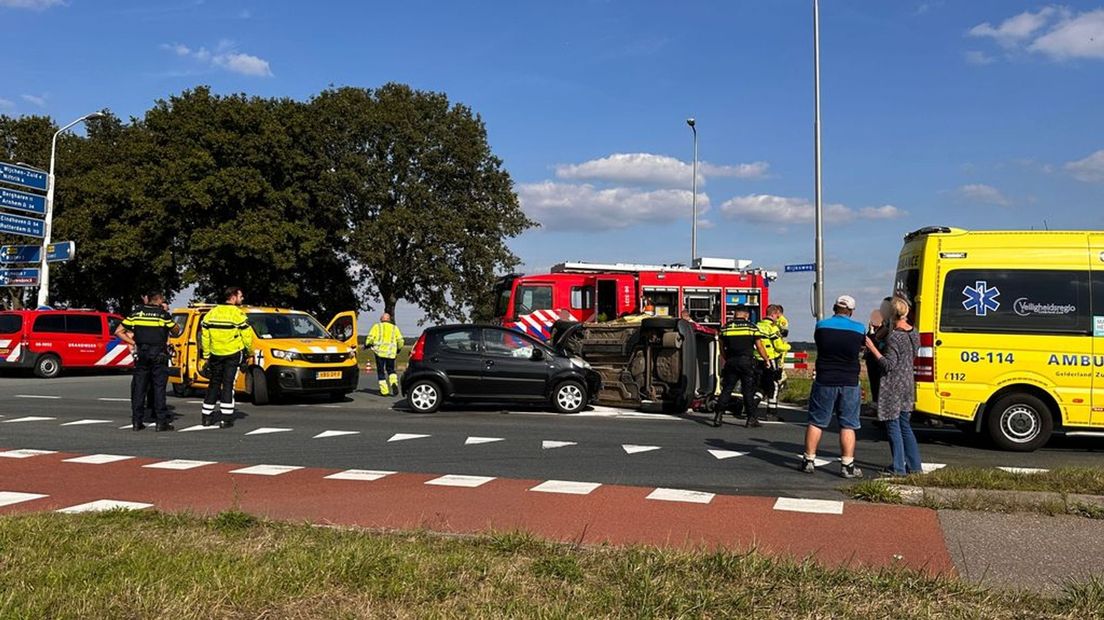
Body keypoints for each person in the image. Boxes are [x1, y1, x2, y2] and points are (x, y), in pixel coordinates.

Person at [802, 295, 866, 478]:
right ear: (851, 311)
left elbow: (820, 345)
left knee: (816, 421)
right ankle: (847, 465)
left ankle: (809, 460)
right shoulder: (859, 328)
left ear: (834, 308)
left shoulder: (821, 326)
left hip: (825, 378)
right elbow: (862, 347)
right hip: (849, 381)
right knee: (848, 424)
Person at [865, 296, 922, 475]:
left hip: (893, 385)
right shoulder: (914, 332)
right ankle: (914, 466)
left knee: (893, 425)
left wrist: (872, 347)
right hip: (907, 383)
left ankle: (898, 467)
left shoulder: (895, 337)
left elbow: (888, 364)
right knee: (905, 425)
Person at [116, 292, 182, 432]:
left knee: (139, 388)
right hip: (158, 354)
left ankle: (137, 421)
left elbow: (119, 331)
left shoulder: (136, 313)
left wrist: (134, 343)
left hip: (142, 354)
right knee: (158, 388)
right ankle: (161, 422)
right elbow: (176, 331)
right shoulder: (162, 315)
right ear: (158, 300)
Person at [200, 286, 254, 428]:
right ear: (233, 297)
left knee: (213, 384)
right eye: (240, 296)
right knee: (228, 385)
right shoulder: (238, 314)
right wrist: (249, 352)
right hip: (232, 354)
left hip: (215, 354)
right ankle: (226, 418)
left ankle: (206, 417)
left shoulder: (211, 313)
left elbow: (205, 336)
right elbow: (247, 336)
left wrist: (206, 355)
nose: (242, 299)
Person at [713, 305, 772, 428]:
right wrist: (766, 359)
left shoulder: (726, 328)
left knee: (727, 389)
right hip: (746, 362)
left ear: (735, 314)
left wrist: (727, 359)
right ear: (746, 315)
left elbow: (721, 347)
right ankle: (751, 419)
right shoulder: (751, 327)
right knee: (748, 391)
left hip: (731, 362)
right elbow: (759, 346)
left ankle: (718, 416)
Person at [756, 304, 790, 420]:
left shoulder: (758, 325)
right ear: (774, 314)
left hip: (757, 359)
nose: (778, 318)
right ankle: (772, 413)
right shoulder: (773, 327)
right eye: (777, 316)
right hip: (770, 359)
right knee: (773, 385)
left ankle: (751, 406)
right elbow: (778, 346)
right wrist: (788, 347)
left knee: (761, 385)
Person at [863, 297, 892, 414]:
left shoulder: (887, 328)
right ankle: (876, 405)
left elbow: (874, 341)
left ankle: (880, 408)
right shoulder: (883, 327)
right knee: (875, 383)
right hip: (873, 359)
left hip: (882, 358)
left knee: (880, 384)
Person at [366, 312, 404, 396]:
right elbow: (400, 340)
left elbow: (370, 338)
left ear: (381, 319)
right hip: (391, 354)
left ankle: (384, 391)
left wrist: (367, 344)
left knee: (381, 372)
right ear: (389, 320)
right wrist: (398, 349)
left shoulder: (377, 326)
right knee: (391, 370)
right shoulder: (394, 328)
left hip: (379, 353)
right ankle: (394, 383)